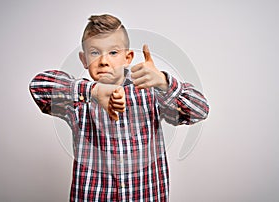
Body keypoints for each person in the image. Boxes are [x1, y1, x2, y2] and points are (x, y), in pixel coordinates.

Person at [29, 14, 209, 202]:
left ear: (128, 57)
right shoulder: (78, 101)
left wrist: (164, 83)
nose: (104, 61)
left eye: (113, 52)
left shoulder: (150, 93)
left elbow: (200, 110)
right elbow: (38, 86)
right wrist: (94, 91)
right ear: (84, 60)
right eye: (95, 52)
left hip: (146, 195)